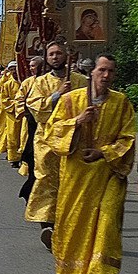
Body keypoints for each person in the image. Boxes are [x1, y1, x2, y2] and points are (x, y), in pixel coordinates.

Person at [46, 53, 134, 274]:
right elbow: (52, 132)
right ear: (92, 72)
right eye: (102, 70)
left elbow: (127, 139)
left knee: (107, 225)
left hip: (108, 174)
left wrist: (103, 152)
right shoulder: (71, 100)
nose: (106, 76)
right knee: (77, 225)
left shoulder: (121, 102)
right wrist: (77, 121)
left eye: (111, 72)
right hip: (77, 176)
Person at [25, 41, 89, 250]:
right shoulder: (41, 82)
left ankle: (68, 228)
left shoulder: (80, 81)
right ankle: (48, 226)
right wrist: (57, 95)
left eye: (59, 53)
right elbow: (34, 106)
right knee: (47, 180)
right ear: (46, 57)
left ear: (66, 56)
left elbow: (92, 105)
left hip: (75, 139)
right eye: (51, 54)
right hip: (47, 140)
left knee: (71, 183)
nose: (55, 57)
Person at [17, 55, 46, 200]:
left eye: (34, 66)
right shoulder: (28, 82)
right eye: (31, 66)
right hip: (32, 124)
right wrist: (25, 110)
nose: (31, 69)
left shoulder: (49, 82)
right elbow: (20, 100)